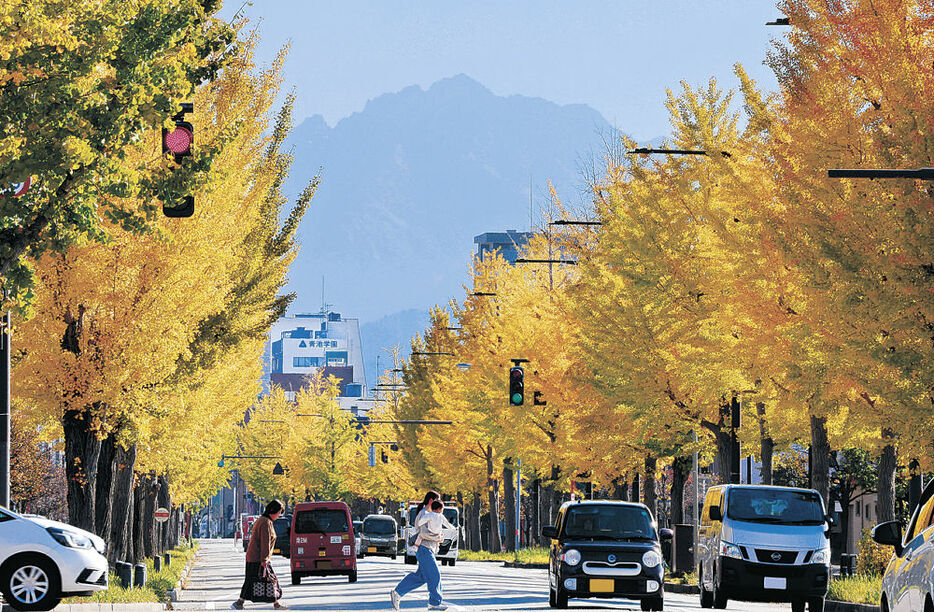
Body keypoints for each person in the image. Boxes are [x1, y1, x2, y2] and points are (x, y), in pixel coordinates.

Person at [391, 493, 455, 611]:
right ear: (431, 501)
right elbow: (424, 534)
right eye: (437, 500)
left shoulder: (429, 514)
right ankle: (434, 603)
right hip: (424, 549)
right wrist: (438, 538)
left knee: (421, 576)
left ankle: (397, 592)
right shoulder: (424, 514)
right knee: (435, 575)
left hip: (427, 549)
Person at [233, 500, 287, 610]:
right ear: (273, 511)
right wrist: (264, 559)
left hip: (256, 556)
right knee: (264, 579)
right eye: (279, 512)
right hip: (258, 557)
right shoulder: (265, 522)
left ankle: (275, 604)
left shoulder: (265, 521)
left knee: (260, 579)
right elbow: (265, 541)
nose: (279, 515)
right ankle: (239, 603)